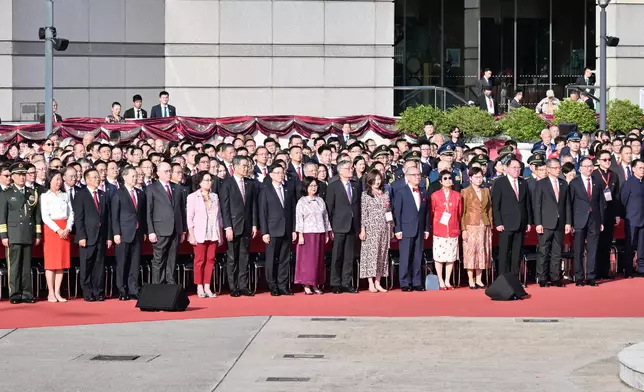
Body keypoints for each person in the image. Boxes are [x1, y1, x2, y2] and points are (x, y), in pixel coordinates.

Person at [0, 162, 43, 304]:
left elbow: (37, 216)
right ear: (12, 177)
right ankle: (14, 294)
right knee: (14, 266)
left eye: (24, 174)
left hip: (27, 233)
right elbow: (2, 217)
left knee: (26, 266)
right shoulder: (6, 194)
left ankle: (26, 293)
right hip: (13, 234)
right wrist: (4, 236)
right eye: (19, 175)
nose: (22, 177)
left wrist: (37, 234)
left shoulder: (32, 193)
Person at [220, 156, 258, 297]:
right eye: (243, 166)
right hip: (233, 226)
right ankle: (232, 286)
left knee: (244, 257)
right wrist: (227, 227)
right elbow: (225, 208)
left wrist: (254, 224)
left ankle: (243, 285)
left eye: (247, 166)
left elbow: (253, 205)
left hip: (247, 225)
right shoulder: (227, 184)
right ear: (235, 166)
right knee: (232, 257)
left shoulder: (250, 183)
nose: (246, 168)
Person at [73, 168, 112, 301]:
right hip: (87, 236)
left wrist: (108, 237)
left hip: (101, 235)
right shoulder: (81, 194)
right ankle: (87, 292)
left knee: (99, 265)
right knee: (86, 265)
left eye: (98, 177)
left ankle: (99, 291)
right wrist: (81, 236)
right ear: (87, 179)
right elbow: (79, 218)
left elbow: (108, 218)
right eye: (94, 177)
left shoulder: (103, 194)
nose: (97, 179)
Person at [146, 161, 187, 285]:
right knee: (159, 259)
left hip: (175, 229)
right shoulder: (152, 188)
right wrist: (151, 231)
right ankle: (157, 286)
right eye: (166, 171)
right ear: (158, 173)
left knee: (172, 259)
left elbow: (181, 210)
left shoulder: (177, 188)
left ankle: (170, 286)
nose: (169, 173)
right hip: (160, 229)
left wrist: (183, 230)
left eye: (170, 171)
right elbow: (149, 211)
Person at [258, 164, 296, 296]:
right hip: (272, 229)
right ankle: (272, 285)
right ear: (271, 175)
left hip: (286, 229)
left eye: (282, 172)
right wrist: (265, 232)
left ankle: (283, 285)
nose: (280, 175)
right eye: (277, 172)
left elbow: (292, 210)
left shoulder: (288, 189)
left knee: (284, 259)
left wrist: (293, 229)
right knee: (271, 259)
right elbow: (262, 212)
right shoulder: (265, 190)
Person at [533, 159, 571, 287]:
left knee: (557, 252)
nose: (558, 170)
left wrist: (568, 222)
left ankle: (555, 277)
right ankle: (542, 277)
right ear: (548, 169)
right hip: (545, 223)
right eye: (555, 168)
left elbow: (567, 205)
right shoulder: (541, 184)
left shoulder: (563, 184)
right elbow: (537, 205)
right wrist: (538, 223)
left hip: (560, 223)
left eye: (559, 167)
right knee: (543, 251)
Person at [111, 166, 147, 301]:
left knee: (135, 262)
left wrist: (143, 230)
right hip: (123, 233)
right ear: (125, 177)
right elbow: (114, 216)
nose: (135, 178)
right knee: (122, 263)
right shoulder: (118, 193)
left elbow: (141, 215)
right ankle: (122, 289)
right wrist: (116, 233)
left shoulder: (140, 193)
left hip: (137, 232)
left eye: (136, 175)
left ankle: (133, 289)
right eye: (132, 176)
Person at [325, 160, 361, 294]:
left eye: (351, 168)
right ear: (341, 171)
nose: (351, 170)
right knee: (337, 256)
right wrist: (330, 228)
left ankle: (346, 282)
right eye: (348, 168)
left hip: (352, 225)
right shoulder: (333, 186)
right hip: (338, 225)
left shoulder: (355, 185)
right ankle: (335, 283)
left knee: (349, 256)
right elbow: (329, 208)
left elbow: (357, 206)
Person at [492, 158, 532, 276]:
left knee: (517, 252)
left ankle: (514, 277)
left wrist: (528, 221)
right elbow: (496, 205)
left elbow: (527, 204)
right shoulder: (500, 182)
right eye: (514, 167)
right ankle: (503, 277)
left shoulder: (523, 182)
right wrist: (498, 222)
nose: (517, 170)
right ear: (507, 169)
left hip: (521, 223)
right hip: (506, 223)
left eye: (519, 168)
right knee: (504, 252)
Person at [187, 171, 224, 298]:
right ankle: (199, 286)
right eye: (206, 180)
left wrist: (220, 234)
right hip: (199, 233)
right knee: (199, 260)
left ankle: (207, 285)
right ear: (200, 182)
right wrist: (191, 235)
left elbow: (219, 217)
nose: (209, 182)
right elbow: (189, 217)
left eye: (210, 180)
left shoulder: (214, 196)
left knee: (210, 260)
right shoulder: (193, 197)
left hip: (213, 232)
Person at [569, 157, 605, 286]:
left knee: (592, 249)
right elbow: (570, 204)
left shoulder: (598, 182)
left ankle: (591, 276)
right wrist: (570, 222)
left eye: (591, 166)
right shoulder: (574, 183)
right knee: (578, 250)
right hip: (579, 220)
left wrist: (601, 221)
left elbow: (601, 202)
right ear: (581, 168)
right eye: (586, 166)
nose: (589, 168)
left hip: (594, 220)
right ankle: (579, 277)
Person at [393, 166, 430, 291]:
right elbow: (397, 212)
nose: (418, 177)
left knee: (417, 256)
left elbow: (426, 213)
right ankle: (404, 282)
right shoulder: (401, 192)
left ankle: (417, 281)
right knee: (405, 257)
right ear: (407, 177)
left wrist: (426, 229)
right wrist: (397, 229)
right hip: (406, 228)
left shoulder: (423, 192)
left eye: (419, 175)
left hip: (419, 229)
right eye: (414, 175)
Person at [40, 169, 74, 302]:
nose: (59, 182)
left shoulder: (65, 196)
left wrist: (67, 228)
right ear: (50, 180)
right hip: (52, 230)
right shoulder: (45, 196)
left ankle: (58, 291)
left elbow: (71, 213)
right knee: (51, 263)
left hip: (64, 228)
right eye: (56, 179)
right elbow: (45, 216)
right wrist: (58, 230)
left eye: (60, 179)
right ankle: (51, 292)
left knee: (61, 263)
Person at [295, 176, 332, 295]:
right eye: (311, 186)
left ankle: (316, 284)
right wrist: (300, 234)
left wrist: (327, 232)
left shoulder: (320, 200)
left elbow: (325, 217)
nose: (313, 188)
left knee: (318, 260)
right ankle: (306, 284)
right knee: (307, 261)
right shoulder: (302, 201)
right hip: (307, 233)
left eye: (315, 186)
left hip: (319, 232)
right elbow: (299, 219)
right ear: (306, 187)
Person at [359, 169, 391, 293]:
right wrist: (363, 229)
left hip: (384, 227)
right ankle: (370, 282)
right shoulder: (365, 194)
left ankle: (378, 281)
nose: (377, 181)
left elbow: (389, 211)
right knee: (371, 255)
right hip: (371, 228)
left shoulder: (385, 193)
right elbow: (364, 213)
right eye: (375, 179)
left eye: (379, 179)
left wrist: (391, 227)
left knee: (382, 255)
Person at [461, 167, 492, 289]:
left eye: (481, 177)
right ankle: (470, 279)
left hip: (484, 224)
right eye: (476, 177)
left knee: (482, 252)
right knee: (471, 252)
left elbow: (489, 209)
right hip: (471, 224)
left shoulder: (486, 191)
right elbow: (462, 212)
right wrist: (463, 229)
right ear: (470, 178)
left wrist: (490, 225)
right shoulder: (465, 191)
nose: (479, 179)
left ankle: (479, 279)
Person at [430, 170, 463, 290]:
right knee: (439, 256)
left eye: (450, 178)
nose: (448, 180)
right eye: (445, 178)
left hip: (453, 229)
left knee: (450, 256)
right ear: (440, 181)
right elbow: (432, 212)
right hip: (440, 230)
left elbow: (459, 213)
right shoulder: (435, 196)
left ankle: (447, 280)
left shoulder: (457, 195)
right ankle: (440, 279)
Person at [592, 150, 621, 279]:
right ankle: (595, 271)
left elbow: (616, 196)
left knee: (607, 243)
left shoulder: (614, 175)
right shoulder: (594, 175)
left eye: (609, 159)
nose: (608, 162)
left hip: (609, 213)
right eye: (604, 160)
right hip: (597, 213)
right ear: (598, 161)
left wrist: (617, 214)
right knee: (596, 243)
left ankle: (605, 270)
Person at [620, 159, 644, 278]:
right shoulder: (628, 183)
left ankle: (641, 268)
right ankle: (628, 270)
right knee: (630, 245)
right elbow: (623, 201)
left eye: (643, 168)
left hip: (643, 219)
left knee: (642, 246)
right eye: (640, 168)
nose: (642, 170)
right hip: (631, 219)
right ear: (633, 169)